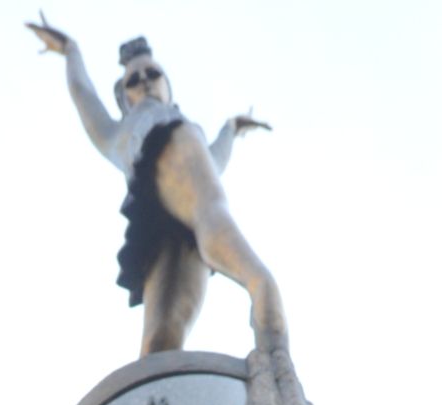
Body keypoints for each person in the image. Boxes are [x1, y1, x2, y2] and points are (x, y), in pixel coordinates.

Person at [27, 18, 287, 355]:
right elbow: (84, 94)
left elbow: (214, 163)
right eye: (134, 81)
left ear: (167, 84)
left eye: (152, 74)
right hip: (153, 221)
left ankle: (274, 350)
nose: (145, 83)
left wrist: (231, 128)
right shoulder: (115, 134)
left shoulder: (185, 130)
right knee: (160, 339)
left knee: (257, 278)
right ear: (124, 97)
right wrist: (71, 51)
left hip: (198, 212)